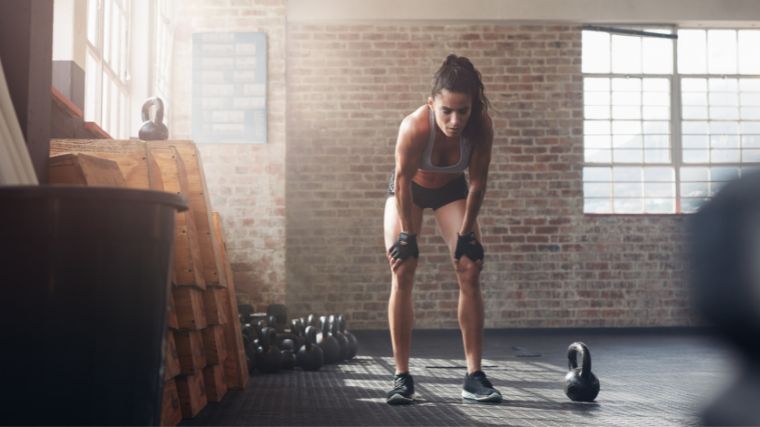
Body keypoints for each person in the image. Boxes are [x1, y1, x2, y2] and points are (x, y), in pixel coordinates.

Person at [384, 54, 500, 405]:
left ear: (473, 107)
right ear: (432, 102)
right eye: (446, 111)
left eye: (463, 111)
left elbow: (477, 184)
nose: (454, 120)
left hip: (451, 191)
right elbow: (403, 182)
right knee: (402, 267)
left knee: (469, 267)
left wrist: (466, 236)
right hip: (410, 192)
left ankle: (473, 376)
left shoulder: (481, 127)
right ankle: (402, 376)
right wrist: (408, 235)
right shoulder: (414, 127)